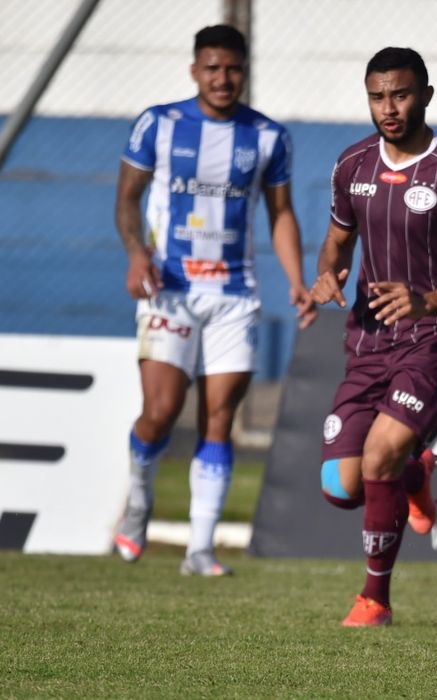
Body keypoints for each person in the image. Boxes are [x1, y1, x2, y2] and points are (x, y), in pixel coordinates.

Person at [309, 47, 437, 627]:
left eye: (400, 95)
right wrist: (325, 274)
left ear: (425, 95)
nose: (388, 108)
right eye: (377, 96)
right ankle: (415, 474)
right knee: (340, 487)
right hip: (369, 339)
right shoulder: (353, 166)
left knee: (381, 453)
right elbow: (338, 241)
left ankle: (375, 599)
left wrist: (428, 301)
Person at [112, 25, 315, 576]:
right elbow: (127, 199)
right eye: (213, 67)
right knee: (159, 414)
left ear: (245, 72)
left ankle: (199, 550)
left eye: (233, 69)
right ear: (195, 69)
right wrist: (137, 254)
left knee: (219, 418)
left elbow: (282, 215)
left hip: (234, 294)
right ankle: (137, 503)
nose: (223, 78)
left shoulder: (269, 137)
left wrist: (297, 279)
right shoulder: (159, 124)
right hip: (169, 289)